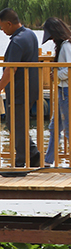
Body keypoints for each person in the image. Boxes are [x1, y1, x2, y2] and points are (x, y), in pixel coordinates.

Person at [0, 8, 40, 175]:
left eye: (1, 26)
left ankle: (20, 164)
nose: (1, 30)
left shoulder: (17, 41)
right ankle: (34, 155)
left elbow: (10, 69)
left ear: (9, 23)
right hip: (30, 88)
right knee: (16, 125)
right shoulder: (30, 34)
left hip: (19, 90)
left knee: (16, 126)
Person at [41, 17, 71, 167]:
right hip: (62, 90)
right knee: (55, 126)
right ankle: (48, 161)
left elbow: (68, 69)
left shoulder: (66, 46)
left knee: (67, 127)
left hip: (66, 90)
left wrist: (56, 75)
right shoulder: (66, 44)